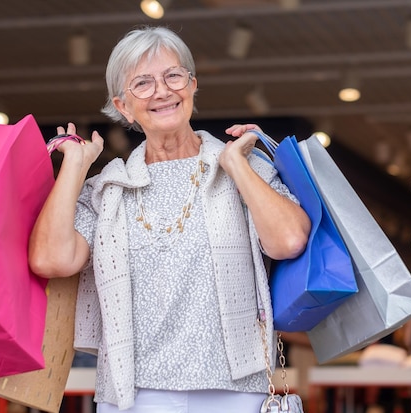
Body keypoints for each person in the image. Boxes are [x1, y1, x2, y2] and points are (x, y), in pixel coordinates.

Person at [28, 25, 311, 413]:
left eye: (173, 76)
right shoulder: (109, 189)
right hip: (134, 394)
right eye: (142, 83)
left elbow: (290, 239)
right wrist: (75, 168)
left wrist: (235, 165)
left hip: (236, 391)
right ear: (123, 106)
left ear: (192, 85)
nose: (162, 91)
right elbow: (51, 259)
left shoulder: (243, 166)